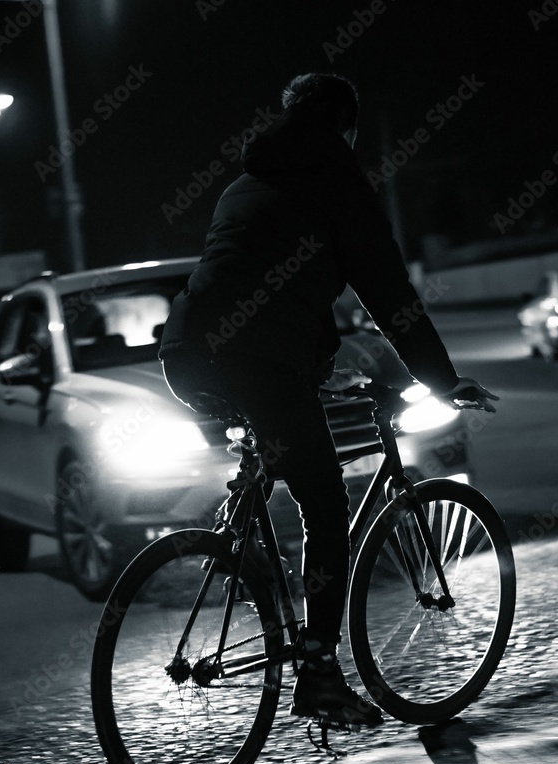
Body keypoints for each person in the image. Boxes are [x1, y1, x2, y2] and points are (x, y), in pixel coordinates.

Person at [159, 72, 497, 730]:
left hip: (186, 354)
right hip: (257, 361)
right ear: (346, 127)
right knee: (325, 503)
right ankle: (318, 673)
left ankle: (242, 549)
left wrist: (316, 367)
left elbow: (272, 290)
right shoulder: (339, 185)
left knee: (276, 448)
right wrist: (439, 379)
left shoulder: (245, 182)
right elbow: (390, 296)